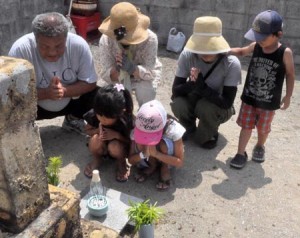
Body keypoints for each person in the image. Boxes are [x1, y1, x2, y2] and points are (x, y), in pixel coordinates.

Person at [8, 12, 98, 134]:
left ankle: (73, 119)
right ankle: (23, 134)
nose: (52, 53)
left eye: (59, 46)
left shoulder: (78, 45)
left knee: (103, 96)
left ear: (66, 38)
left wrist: (64, 91)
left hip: (71, 103)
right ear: (36, 39)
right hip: (35, 108)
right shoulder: (20, 50)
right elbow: (14, 94)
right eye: (45, 47)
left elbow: (90, 82)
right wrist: (47, 93)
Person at [229, 10, 295, 169]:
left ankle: (259, 145)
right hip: (250, 98)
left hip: (269, 102)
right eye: (256, 37)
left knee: (263, 129)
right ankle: (240, 153)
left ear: (277, 34)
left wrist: (288, 96)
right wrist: (225, 50)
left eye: (262, 37)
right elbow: (242, 51)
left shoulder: (284, 53)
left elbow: (290, 74)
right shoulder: (256, 46)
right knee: (246, 125)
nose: (259, 40)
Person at [171, 16, 242, 149]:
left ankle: (209, 130)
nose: (204, 53)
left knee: (204, 111)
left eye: (209, 48)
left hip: (216, 105)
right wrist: (191, 84)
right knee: (178, 103)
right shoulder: (187, 55)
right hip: (195, 97)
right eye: (201, 47)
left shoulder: (231, 63)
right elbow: (175, 90)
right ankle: (188, 127)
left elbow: (227, 102)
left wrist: (203, 87)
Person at [97, 2, 162, 107]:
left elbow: (150, 70)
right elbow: (106, 72)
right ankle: (121, 116)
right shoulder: (106, 40)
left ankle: (144, 118)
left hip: (142, 76)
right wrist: (118, 69)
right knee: (109, 98)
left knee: (146, 93)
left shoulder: (150, 39)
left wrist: (132, 69)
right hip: (118, 77)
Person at [128, 100, 185, 191]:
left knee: (163, 144)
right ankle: (152, 165)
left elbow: (179, 162)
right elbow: (131, 160)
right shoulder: (138, 128)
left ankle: (164, 166)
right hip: (146, 157)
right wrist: (143, 154)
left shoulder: (174, 129)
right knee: (139, 142)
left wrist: (156, 154)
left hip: (167, 157)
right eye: (144, 134)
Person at [84, 84, 134, 182]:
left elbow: (132, 142)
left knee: (114, 146)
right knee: (95, 139)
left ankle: (121, 163)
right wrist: (97, 131)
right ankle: (97, 159)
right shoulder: (95, 114)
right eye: (100, 116)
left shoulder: (126, 120)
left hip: (119, 148)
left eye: (106, 118)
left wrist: (117, 135)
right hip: (102, 146)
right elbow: (86, 130)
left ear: (120, 112)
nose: (102, 119)